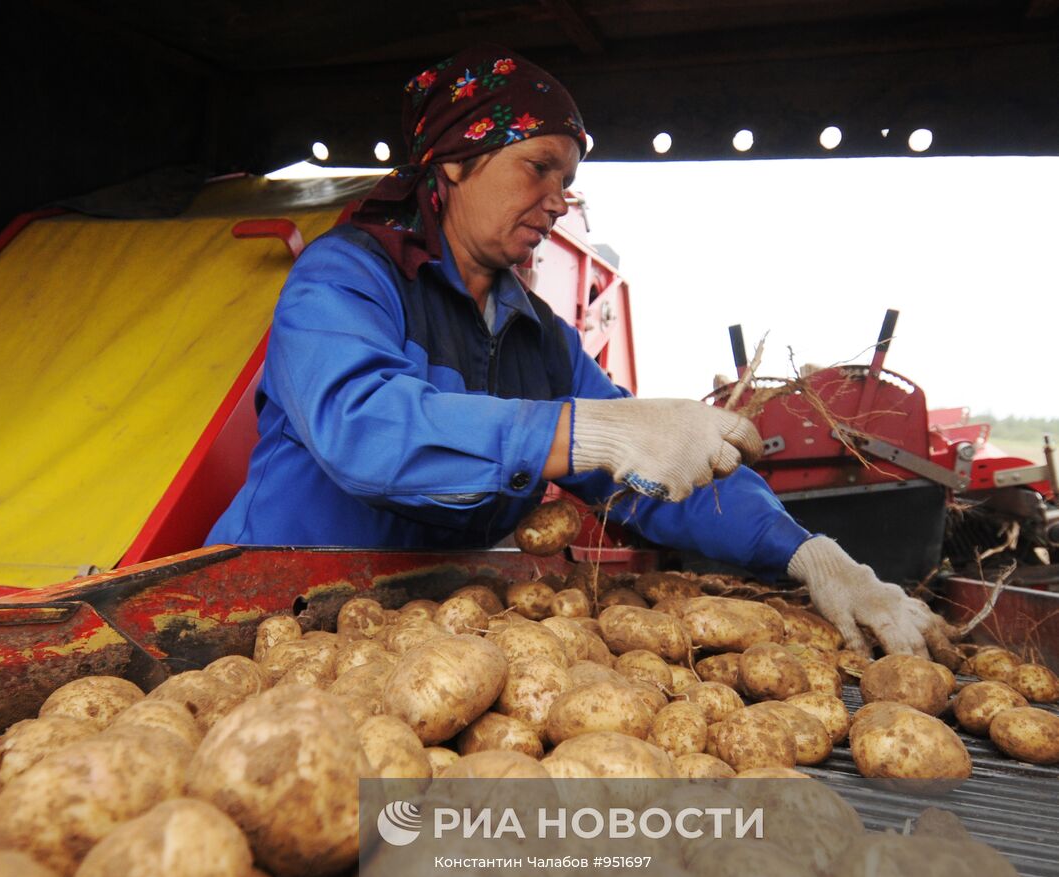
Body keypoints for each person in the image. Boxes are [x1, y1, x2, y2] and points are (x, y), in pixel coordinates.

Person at [207, 45, 947, 658]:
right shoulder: (345, 279)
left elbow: (658, 479)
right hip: (260, 616)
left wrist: (809, 552)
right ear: (458, 161)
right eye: (541, 166)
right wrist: (585, 432)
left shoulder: (540, 337)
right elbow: (363, 429)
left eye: (570, 180)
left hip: (417, 633)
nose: (561, 199)